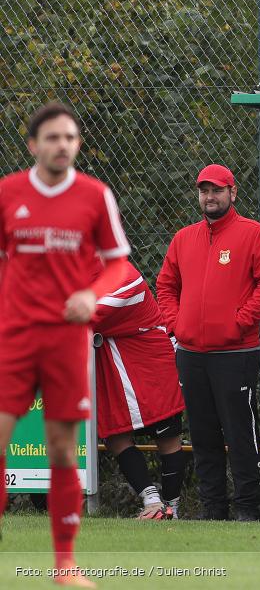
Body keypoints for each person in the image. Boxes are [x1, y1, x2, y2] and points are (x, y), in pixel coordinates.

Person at [0, 102, 132, 588]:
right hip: (13, 337)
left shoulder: (95, 196)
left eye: (70, 138)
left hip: (66, 341)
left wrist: (90, 294)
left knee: (61, 450)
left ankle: (65, 566)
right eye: (52, 138)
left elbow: (117, 264)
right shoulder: (8, 194)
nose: (62, 145)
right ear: (33, 145)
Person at [156, 164, 260, 521]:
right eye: (204, 191)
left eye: (216, 190)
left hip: (235, 353)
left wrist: (239, 322)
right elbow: (165, 285)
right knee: (203, 434)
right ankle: (213, 509)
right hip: (191, 354)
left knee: (240, 433)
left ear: (232, 193)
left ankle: (247, 508)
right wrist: (176, 324)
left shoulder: (253, 234)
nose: (209, 197)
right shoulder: (184, 238)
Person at [92, 259, 187, 520]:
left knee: (167, 436)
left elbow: (85, 316)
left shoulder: (124, 275)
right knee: (115, 436)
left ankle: (172, 508)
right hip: (110, 365)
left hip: (148, 362)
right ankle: (152, 502)